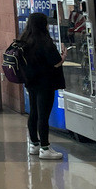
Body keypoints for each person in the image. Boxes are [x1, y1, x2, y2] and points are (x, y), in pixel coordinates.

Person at [19, 11, 66, 160]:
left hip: (31, 81)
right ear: (43, 24)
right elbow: (56, 62)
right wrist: (64, 55)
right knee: (43, 115)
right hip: (46, 82)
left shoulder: (25, 39)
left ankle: (34, 144)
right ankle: (45, 147)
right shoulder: (45, 41)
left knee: (33, 112)